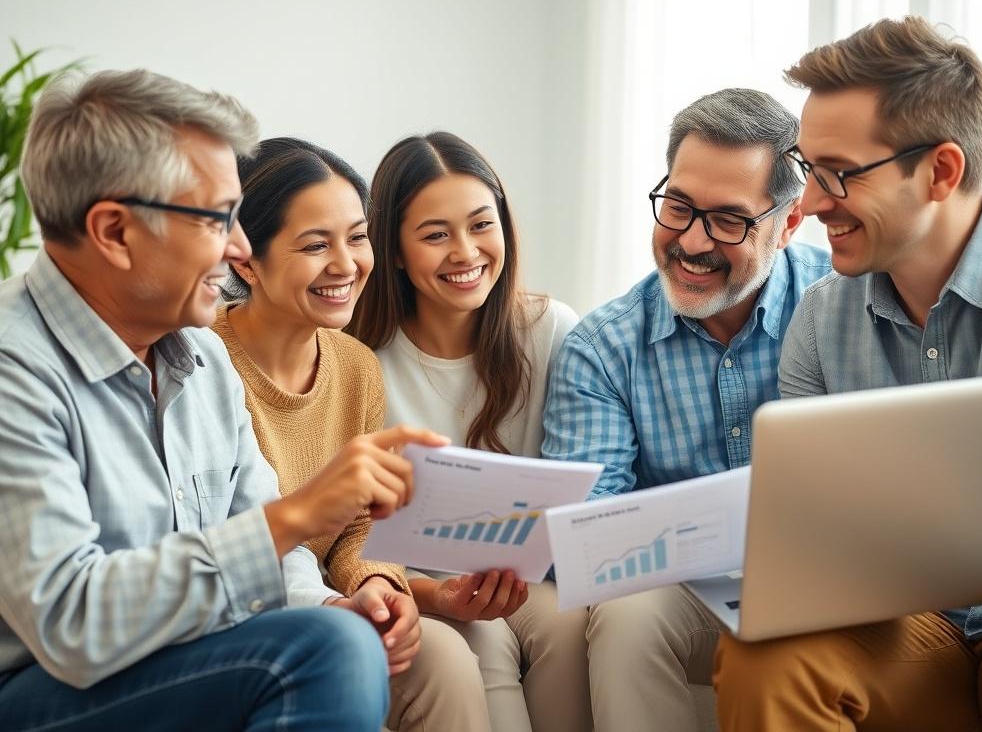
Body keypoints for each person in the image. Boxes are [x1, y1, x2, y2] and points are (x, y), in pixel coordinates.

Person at [0, 69, 445, 732]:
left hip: (174, 663)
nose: (239, 248)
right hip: (35, 688)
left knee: (342, 640)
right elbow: (72, 624)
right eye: (217, 219)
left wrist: (330, 605)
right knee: (326, 656)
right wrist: (295, 515)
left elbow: (268, 545)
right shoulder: (16, 367)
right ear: (115, 232)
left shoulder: (200, 356)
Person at [713, 16, 982, 732]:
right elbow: (809, 541)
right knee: (765, 655)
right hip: (913, 638)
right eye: (806, 169)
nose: (812, 203)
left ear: (942, 171)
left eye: (840, 174)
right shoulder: (821, 320)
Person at [542, 88, 832, 732]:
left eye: (729, 220)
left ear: (788, 224)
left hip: (831, 575)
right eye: (677, 207)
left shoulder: (843, 304)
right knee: (625, 615)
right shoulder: (602, 347)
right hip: (690, 591)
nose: (692, 241)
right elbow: (582, 542)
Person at [211, 136, 491, 731]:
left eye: (357, 237)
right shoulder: (205, 364)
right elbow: (224, 539)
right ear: (244, 260)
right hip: (247, 619)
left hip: (331, 606)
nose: (347, 264)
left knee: (445, 655)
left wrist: (379, 589)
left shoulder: (355, 365)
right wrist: (334, 606)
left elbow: (359, 528)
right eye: (316, 245)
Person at [348, 131, 588, 732]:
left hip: (532, 577)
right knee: (484, 645)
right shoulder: (358, 358)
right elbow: (349, 532)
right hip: (419, 588)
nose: (465, 252)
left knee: (570, 626)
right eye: (435, 235)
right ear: (395, 251)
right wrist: (435, 594)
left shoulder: (551, 330)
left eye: (482, 225)